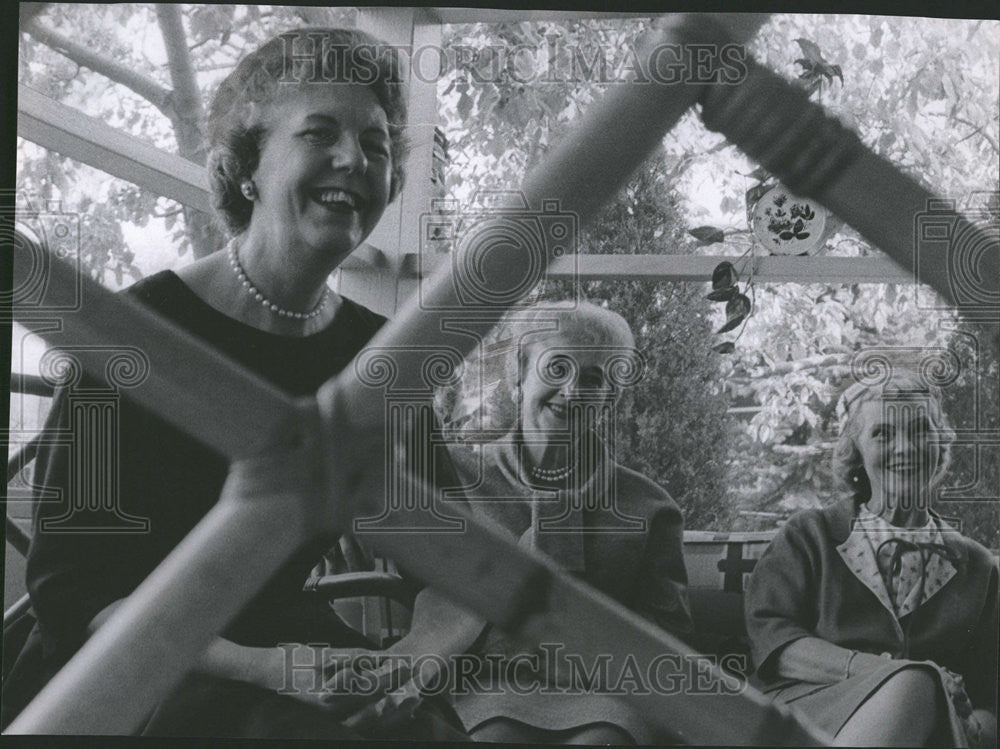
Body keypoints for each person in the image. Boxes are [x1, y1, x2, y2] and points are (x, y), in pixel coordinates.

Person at [7, 27, 463, 740]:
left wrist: (413, 660)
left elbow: (458, 565)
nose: (355, 159)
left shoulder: (379, 352)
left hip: (292, 649)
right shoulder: (129, 331)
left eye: (376, 147)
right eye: (319, 133)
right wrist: (270, 668)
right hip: (127, 669)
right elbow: (73, 593)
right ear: (247, 167)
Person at [319, 300, 694, 744]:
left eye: (593, 379)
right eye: (556, 369)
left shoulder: (649, 507)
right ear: (520, 374)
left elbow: (670, 642)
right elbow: (383, 543)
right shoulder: (449, 476)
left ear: (610, 398)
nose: (572, 392)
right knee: (493, 736)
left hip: (604, 693)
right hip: (474, 686)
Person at [745, 371, 998, 748]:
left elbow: (990, 701)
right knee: (915, 683)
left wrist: (968, 722)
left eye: (920, 431)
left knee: (919, 690)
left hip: (933, 736)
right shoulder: (809, 535)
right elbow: (774, 642)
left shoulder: (978, 568)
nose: (905, 448)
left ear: (940, 445)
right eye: (883, 434)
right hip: (811, 718)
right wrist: (886, 673)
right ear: (856, 452)